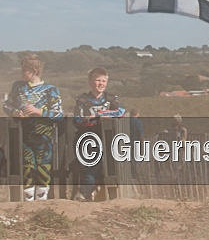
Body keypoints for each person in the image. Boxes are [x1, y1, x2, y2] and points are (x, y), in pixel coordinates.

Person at [3, 54, 63, 201]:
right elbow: (7, 105)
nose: (22, 73)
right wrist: (15, 112)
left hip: (43, 134)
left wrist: (39, 111)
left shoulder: (50, 89)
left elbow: (59, 114)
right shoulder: (18, 87)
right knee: (27, 165)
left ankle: (42, 200)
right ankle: (28, 200)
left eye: (25, 70)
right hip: (23, 133)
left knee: (43, 165)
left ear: (35, 70)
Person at [73, 67, 125, 201]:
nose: (101, 83)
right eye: (97, 80)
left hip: (108, 139)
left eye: (103, 81)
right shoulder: (82, 100)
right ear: (90, 81)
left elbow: (121, 112)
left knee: (109, 168)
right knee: (89, 167)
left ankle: (109, 197)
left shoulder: (111, 99)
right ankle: (84, 195)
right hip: (88, 139)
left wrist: (103, 114)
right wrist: (89, 119)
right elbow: (77, 119)